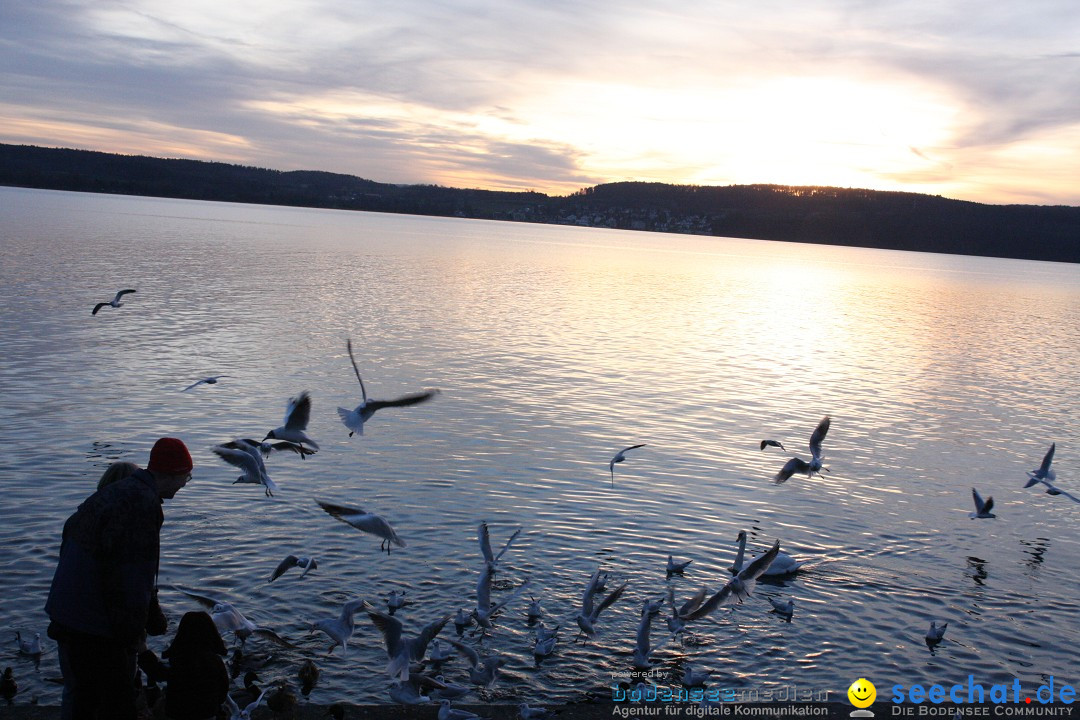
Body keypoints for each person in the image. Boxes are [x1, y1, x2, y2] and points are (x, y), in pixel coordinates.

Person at [45, 437, 194, 720]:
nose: (186, 483)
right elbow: (131, 578)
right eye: (187, 476)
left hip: (65, 616)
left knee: (80, 700)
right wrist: (135, 640)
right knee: (117, 706)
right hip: (95, 626)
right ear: (173, 473)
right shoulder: (142, 504)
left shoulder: (111, 495)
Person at [138, 612, 229, 720]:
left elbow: (158, 672)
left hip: (178, 714)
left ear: (182, 633)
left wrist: (143, 651)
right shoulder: (215, 661)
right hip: (207, 715)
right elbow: (223, 691)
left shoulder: (181, 660)